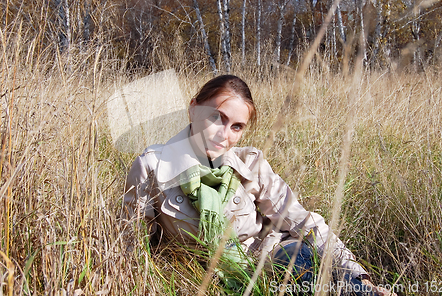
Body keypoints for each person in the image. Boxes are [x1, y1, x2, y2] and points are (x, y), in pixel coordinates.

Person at [124, 75, 396, 295]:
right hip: (205, 279)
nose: (224, 134)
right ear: (193, 108)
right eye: (217, 117)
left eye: (236, 126)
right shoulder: (152, 167)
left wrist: (359, 278)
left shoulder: (249, 163)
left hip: (267, 264)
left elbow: (305, 222)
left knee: (311, 262)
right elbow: (133, 247)